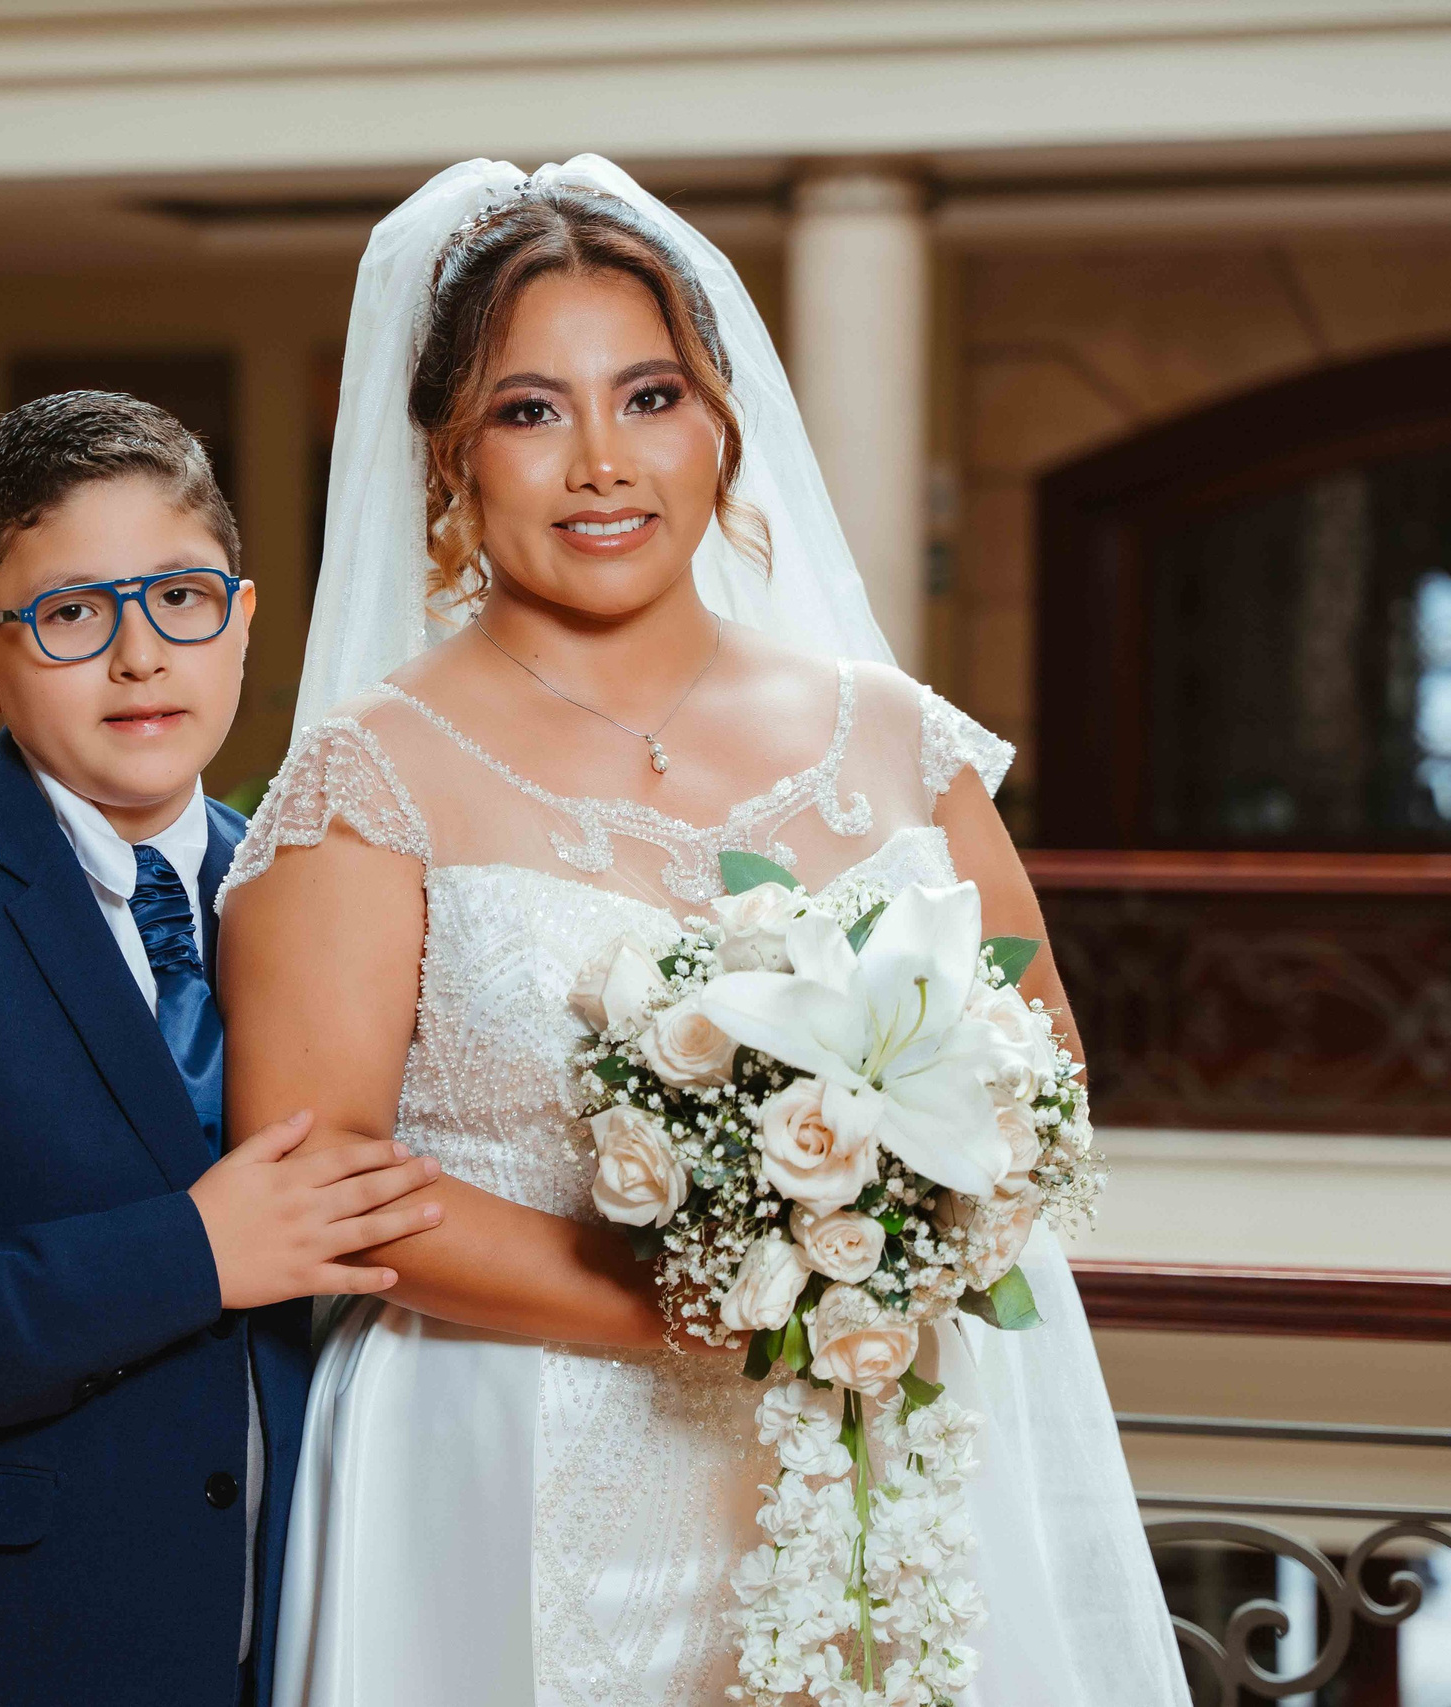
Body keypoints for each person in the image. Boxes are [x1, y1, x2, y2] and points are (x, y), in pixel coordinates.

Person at [217, 160, 1187, 1706]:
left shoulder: (893, 739)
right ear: (446, 456)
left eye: (649, 395)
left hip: (880, 1449)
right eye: (532, 412)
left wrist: (867, 1266)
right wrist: (709, 1318)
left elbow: (1038, 1066)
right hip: (514, 1450)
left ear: (722, 419)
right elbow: (324, 1190)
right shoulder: (367, 775)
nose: (602, 462)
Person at [0, 390, 442, 1707]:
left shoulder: (305, 889)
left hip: (260, 1638)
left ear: (245, 618)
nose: (140, 656)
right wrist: (196, 1252)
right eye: (69, 616)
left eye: (181, 598)